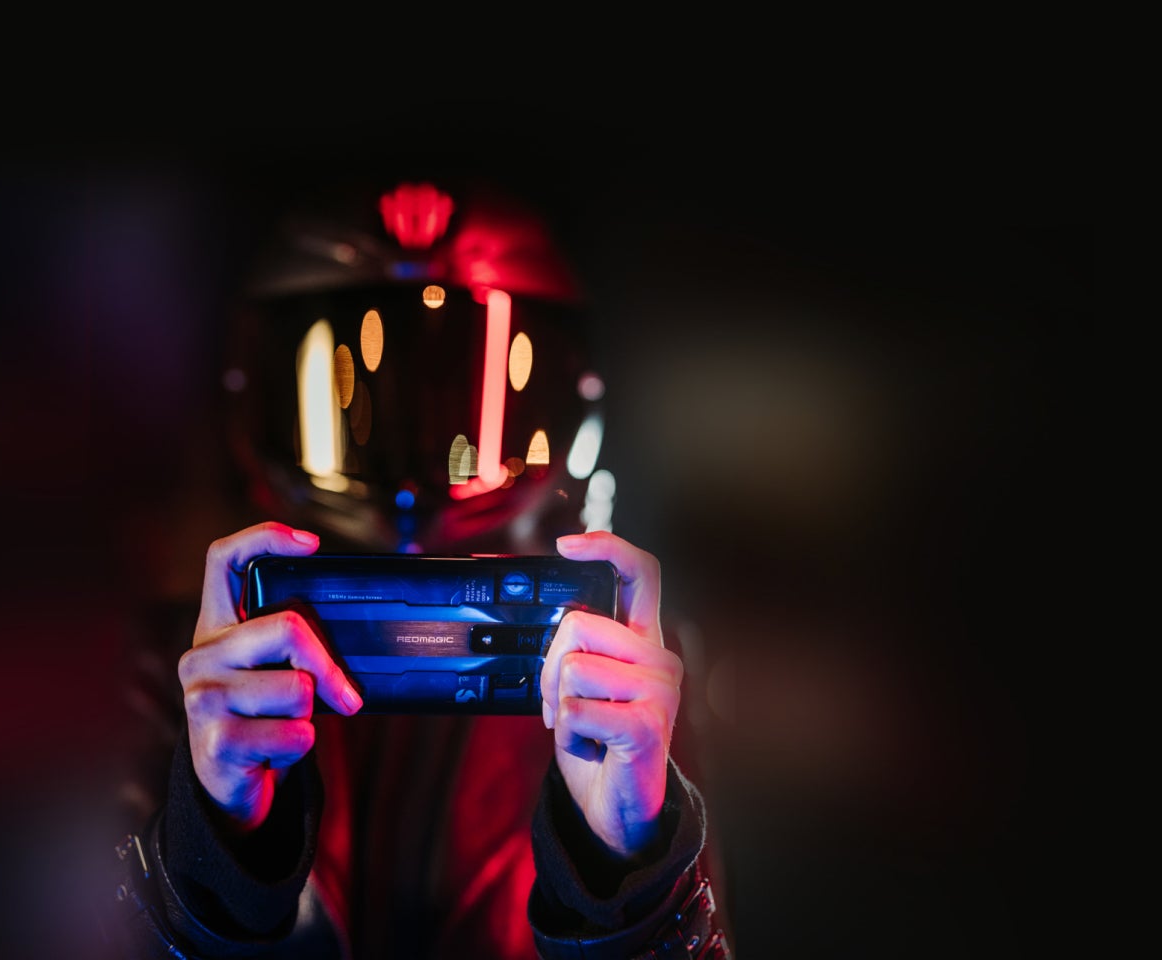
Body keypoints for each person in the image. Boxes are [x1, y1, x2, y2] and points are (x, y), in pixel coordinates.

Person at [111, 177, 728, 958]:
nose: (413, 471)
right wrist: (217, 837)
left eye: (455, 387)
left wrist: (627, 859)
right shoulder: (182, 674)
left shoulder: (621, 681)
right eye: (369, 395)